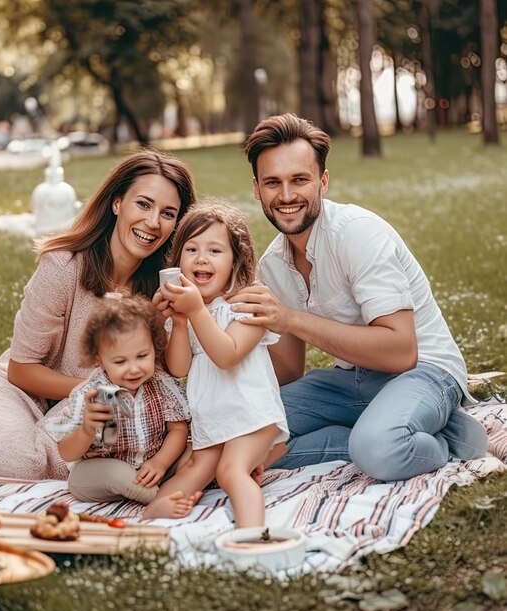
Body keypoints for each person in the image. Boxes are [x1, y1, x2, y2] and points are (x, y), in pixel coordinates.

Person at [228, 113, 488, 481]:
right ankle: (366, 437)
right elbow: (288, 369)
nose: (286, 196)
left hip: (425, 371)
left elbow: (402, 352)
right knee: (238, 437)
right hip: (351, 381)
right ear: (257, 189)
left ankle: (448, 438)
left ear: (323, 181)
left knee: (380, 451)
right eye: (273, 182)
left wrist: (289, 318)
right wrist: (219, 351)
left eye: (299, 180)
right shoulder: (274, 263)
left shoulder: (357, 235)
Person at [0, 150, 196, 480]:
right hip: (18, 391)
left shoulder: (165, 285)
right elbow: (21, 370)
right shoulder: (63, 266)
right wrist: (100, 392)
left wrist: (179, 320)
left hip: (92, 411)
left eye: (168, 213)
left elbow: (170, 372)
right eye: (143, 204)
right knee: (6, 457)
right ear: (117, 203)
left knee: (117, 456)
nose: (153, 222)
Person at [144, 200, 288, 526]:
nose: (201, 258)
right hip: (213, 421)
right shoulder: (190, 310)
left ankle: (251, 536)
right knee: (193, 468)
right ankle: (153, 512)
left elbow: (227, 356)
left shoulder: (247, 304)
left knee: (230, 471)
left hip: (251, 417)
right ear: (178, 261)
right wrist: (179, 322)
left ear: (236, 261)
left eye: (215, 251)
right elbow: (179, 368)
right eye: (191, 249)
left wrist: (195, 311)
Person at [41, 293, 192, 512]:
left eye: (142, 356)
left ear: (154, 347)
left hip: (153, 466)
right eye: (120, 361)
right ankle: (159, 501)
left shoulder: (160, 384)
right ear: (99, 360)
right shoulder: (90, 394)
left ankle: (167, 488)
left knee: (197, 453)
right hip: (101, 473)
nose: (134, 368)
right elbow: (67, 452)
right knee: (117, 474)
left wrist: (160, 462)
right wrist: (86, 430)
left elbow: (178, 429)